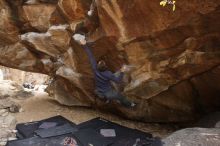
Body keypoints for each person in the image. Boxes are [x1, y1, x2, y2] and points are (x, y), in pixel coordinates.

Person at [77, 36, 136, 108]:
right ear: (105, 67)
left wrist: (84, 45)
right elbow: (118, 81)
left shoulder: (95, 69)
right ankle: (131, 105)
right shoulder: (108, 74)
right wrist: (122, 71)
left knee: (107, 92)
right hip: (107, 93)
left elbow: (90, 56)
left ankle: (105, 99)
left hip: (98, 90)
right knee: (120, 96)